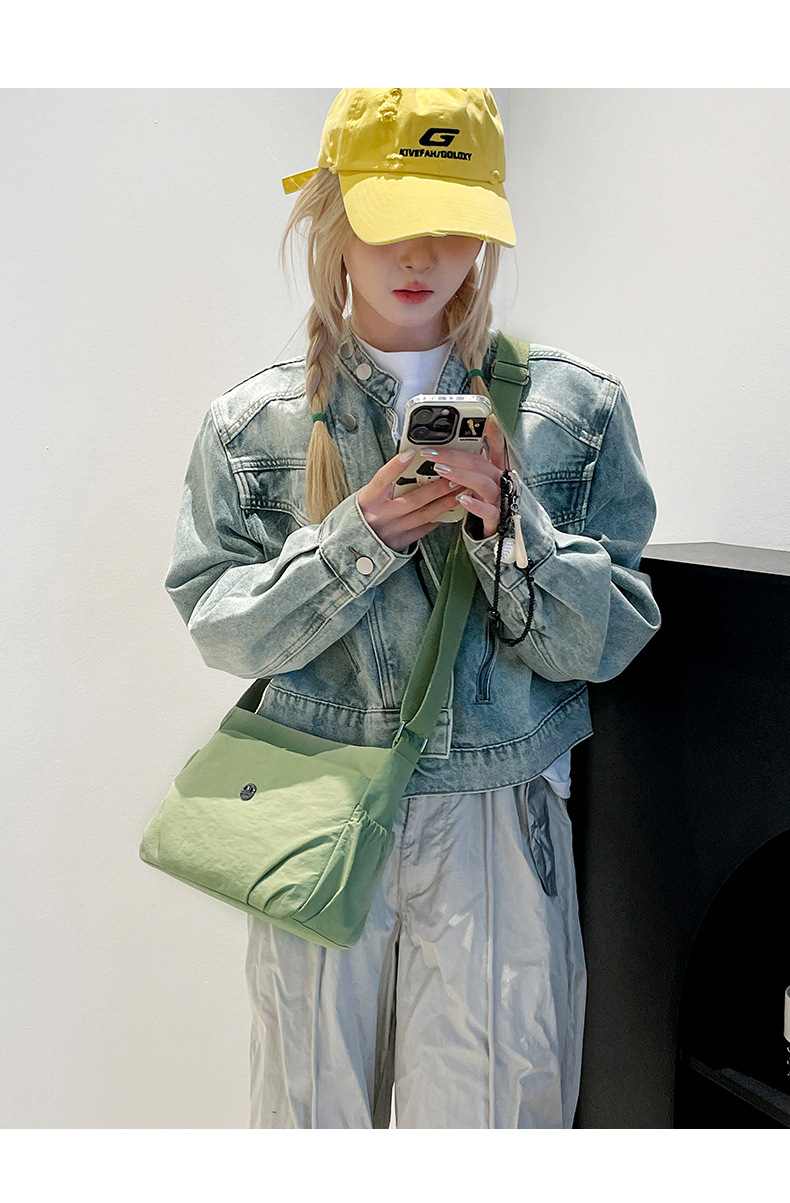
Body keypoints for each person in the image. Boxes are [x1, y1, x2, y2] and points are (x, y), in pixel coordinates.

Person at [164, 88, 661, 1129]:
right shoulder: (252, 425)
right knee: (309, 1126)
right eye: (393, 218)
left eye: (453, 220)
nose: (422, 253)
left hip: (496, 813)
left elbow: (608, 639)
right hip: (315, 805)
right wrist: (360, 537)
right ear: (333, 216)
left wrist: (508, 520)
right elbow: (222, 625)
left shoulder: (574, 414)